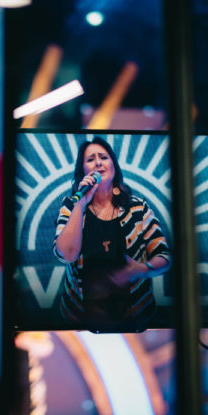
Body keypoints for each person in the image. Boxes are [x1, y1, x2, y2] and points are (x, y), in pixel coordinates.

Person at [53, 136, 171, 332]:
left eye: (103, 157)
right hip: (82, 321)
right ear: (82, 170)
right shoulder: (72, 205)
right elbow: (66, 255)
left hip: (134, 319)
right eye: (90, 159)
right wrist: (81, 203)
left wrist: (141, 269)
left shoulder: (137, 207)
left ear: (114, 166)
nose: (98, 162)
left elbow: (164, 258)